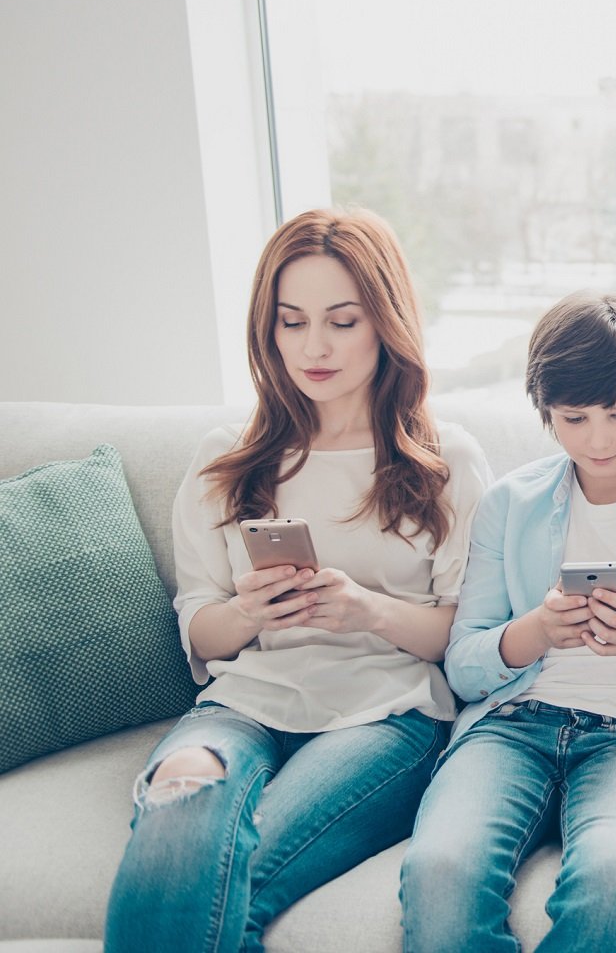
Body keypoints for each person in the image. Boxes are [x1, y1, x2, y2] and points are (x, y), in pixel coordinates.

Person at [104, 209, 491, 952]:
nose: (314, 347)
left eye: (342, 321)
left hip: (389, 712)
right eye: (291, 322)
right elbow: (200, 625)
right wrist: (250, 613)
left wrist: (367, 611)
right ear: (267, 330)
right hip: (245, 702)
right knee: (176, 829)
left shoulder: (446, 462)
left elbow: (464, 634)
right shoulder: (227, 459)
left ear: (386, 323)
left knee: (229, 874)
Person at [399, 292, 616, 953]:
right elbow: (465, 666)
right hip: (511, 726)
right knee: (439, 873)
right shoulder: (509, 504)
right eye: (574, 417)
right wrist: (534, 632)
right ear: (546, 411)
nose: (599, 439)